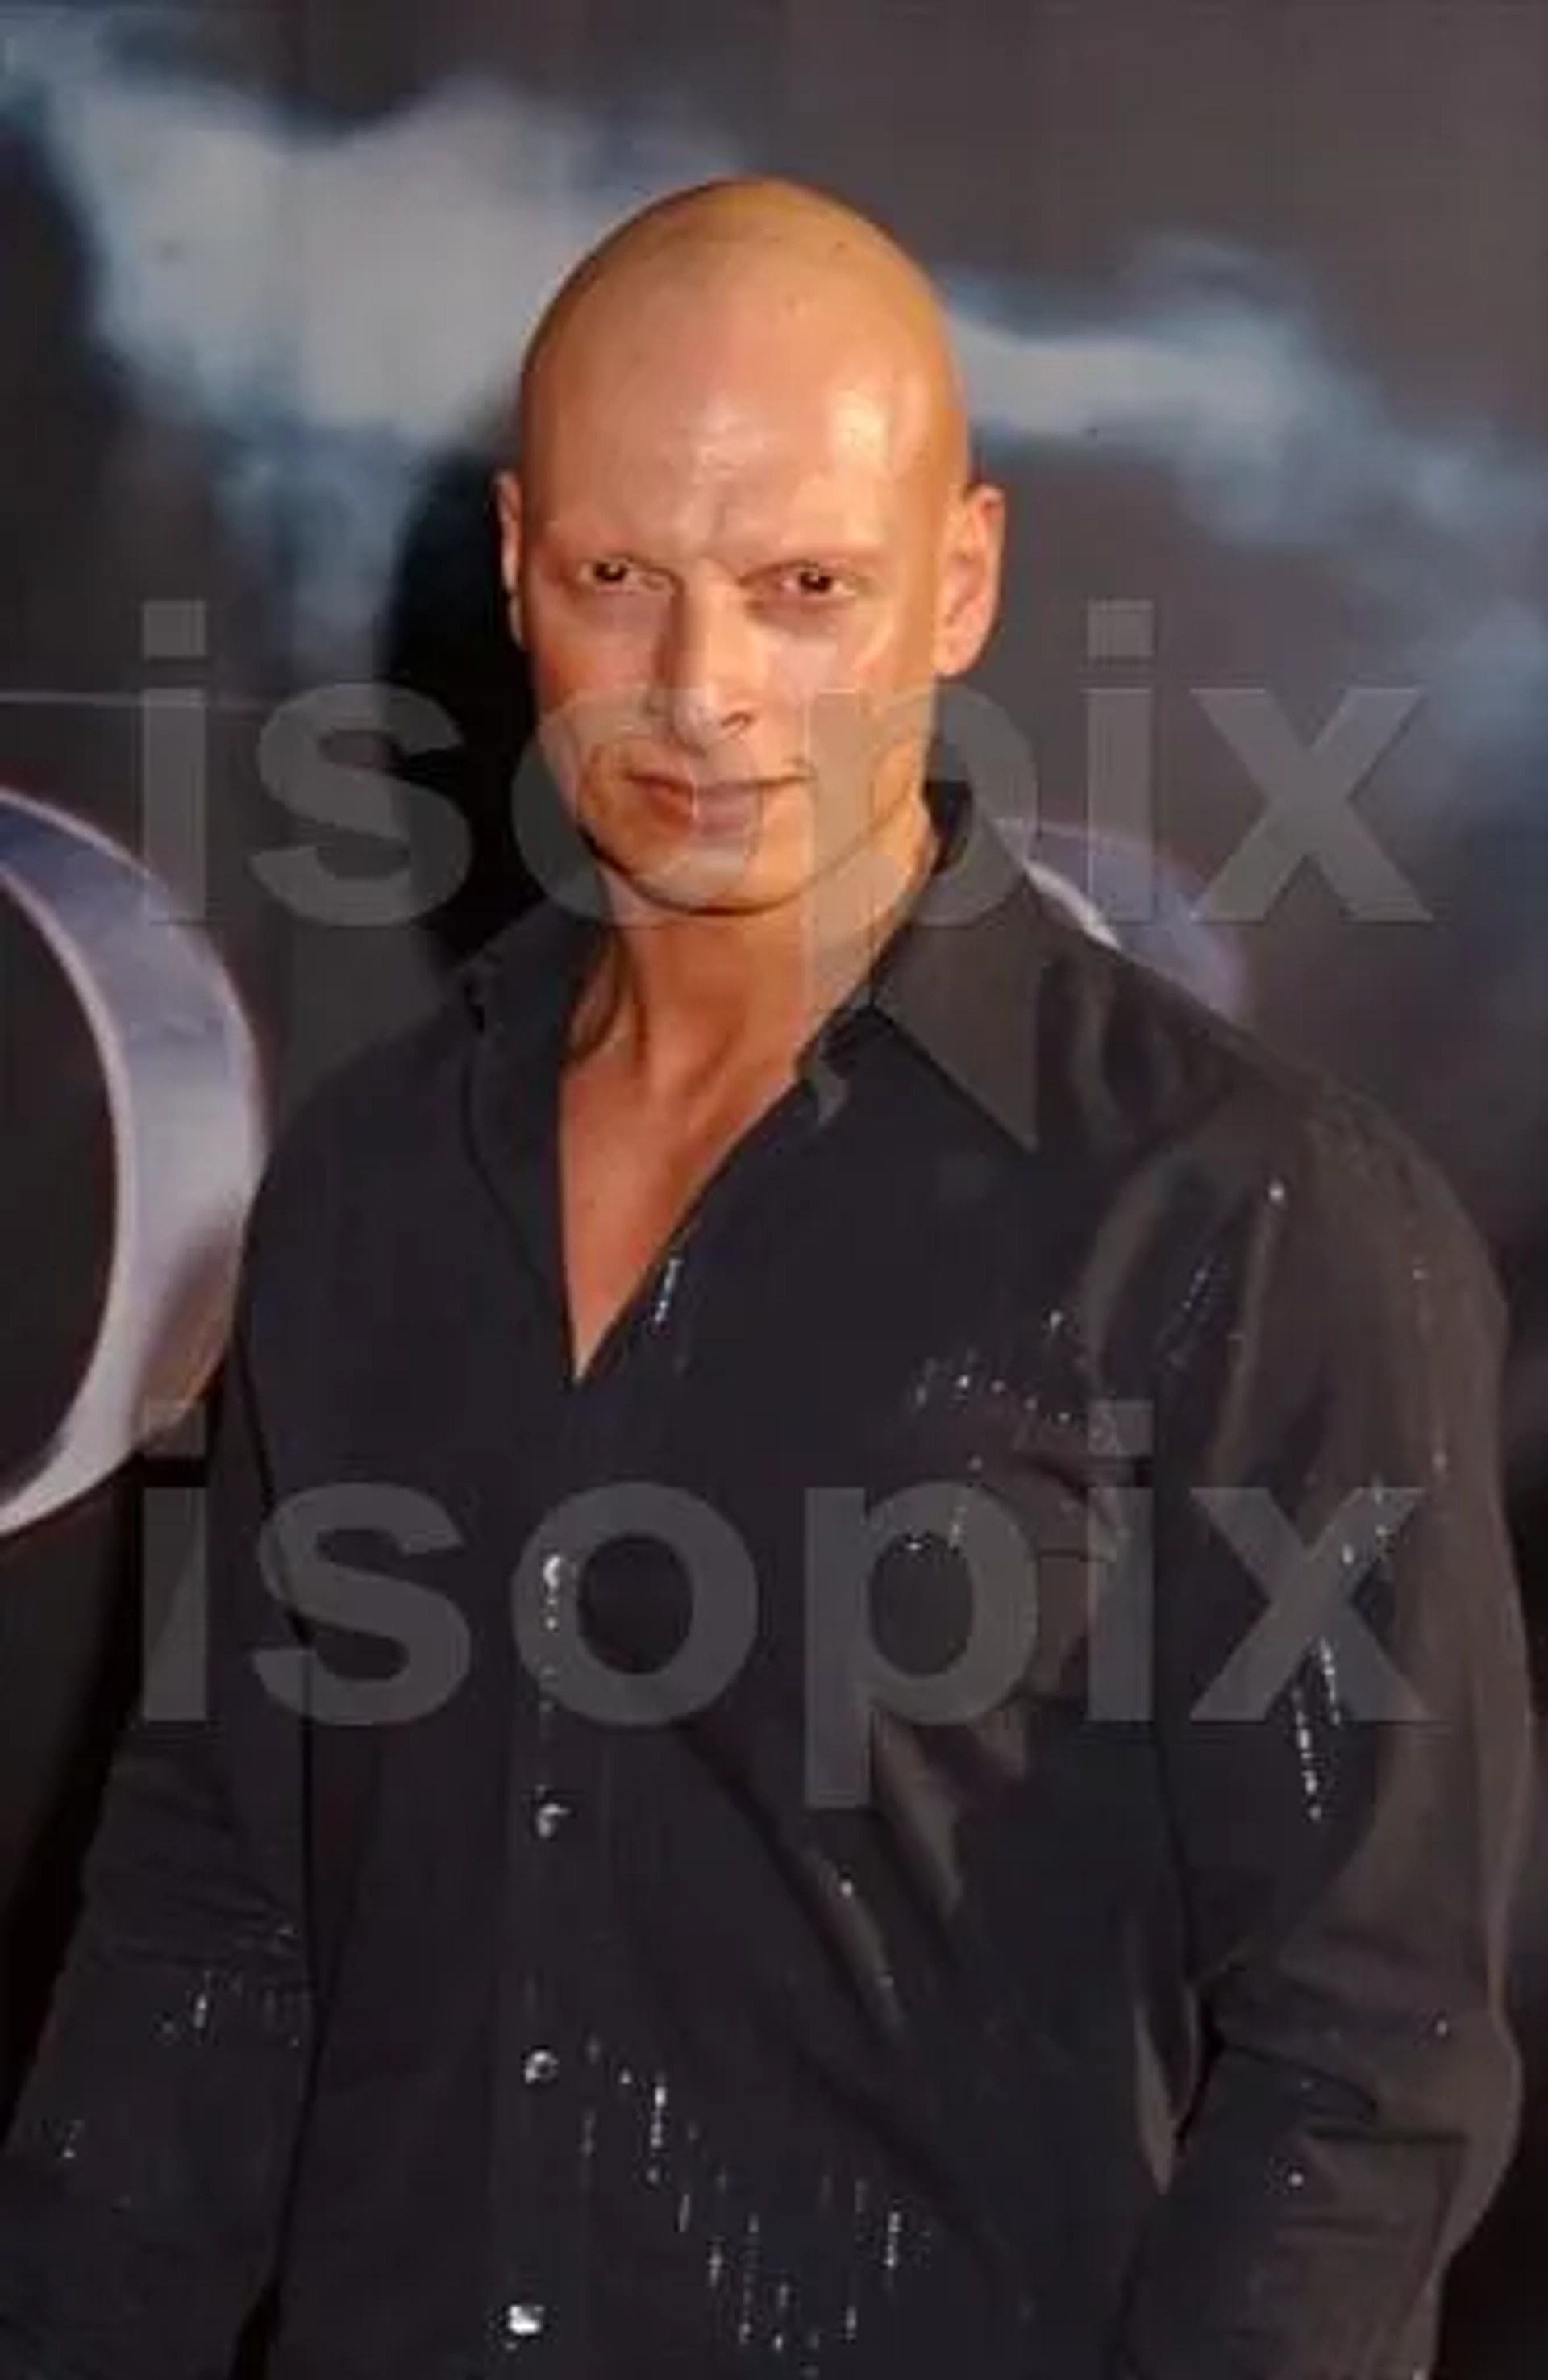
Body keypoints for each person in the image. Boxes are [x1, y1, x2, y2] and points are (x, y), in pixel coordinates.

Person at [0, 176, 1533, 2380]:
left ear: (961, 583)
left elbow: (1364, 2062)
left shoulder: (1244, 1219)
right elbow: (222, 1907)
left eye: (802, 585)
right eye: (625, 579)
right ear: (523, 565)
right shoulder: (366, 1192)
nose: (702, 691)